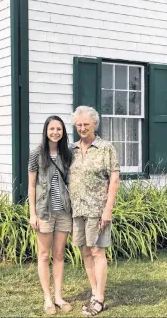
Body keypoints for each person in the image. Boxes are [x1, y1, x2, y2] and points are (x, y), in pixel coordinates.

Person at [69, 106, 120, 316]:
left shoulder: (106, 148)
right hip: (77, 209)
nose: (82, 128)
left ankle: (99, 299)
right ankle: (93, 293)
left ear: (94, 125)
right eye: (79, 125)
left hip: (97, 210)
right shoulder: (71, 149)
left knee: (98, 252)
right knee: (85, 252)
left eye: (86, 125)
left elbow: (114, 180)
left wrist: (108, 210)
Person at [28, 115, 73, 315]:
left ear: (63, 132)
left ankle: (58, 296)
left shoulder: (67, 154)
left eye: (59, 129)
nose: (55, 132)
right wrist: (33, 214)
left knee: (59, 255)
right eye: (52, 128)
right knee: (44, 255)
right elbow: (31, 185)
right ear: (46, 130)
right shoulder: (36, 154)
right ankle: (47, 298)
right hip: (44, 212)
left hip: (63, 211)